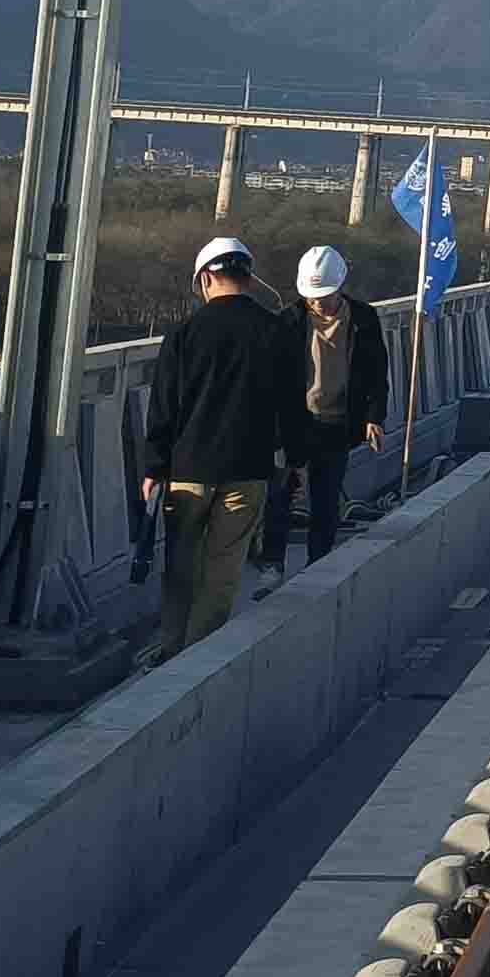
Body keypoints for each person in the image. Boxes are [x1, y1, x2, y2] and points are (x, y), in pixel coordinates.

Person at [142, 235, 308, 661]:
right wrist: (296, 459)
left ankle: (171, 649)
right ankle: (197, 658)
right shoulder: (277, 331)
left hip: (188, 468)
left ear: (204, 278)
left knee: (180, 564)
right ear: (249, 278)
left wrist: (154, 466)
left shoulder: (184, 333)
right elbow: (292, 404)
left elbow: (163, 407)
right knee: (223, 569)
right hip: (248, 469)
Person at [261, 244, 388, 573]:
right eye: (312, 297)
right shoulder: (288, 322)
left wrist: (374, 417)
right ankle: (272, 564)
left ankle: (318, 563)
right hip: (295, 421)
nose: (318, 303)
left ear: (340, 287)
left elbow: (376, 373)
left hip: (338, 421)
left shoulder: (362, 319)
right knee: (280, 495)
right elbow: (274, 379)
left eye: (325, 296)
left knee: (326, 497)